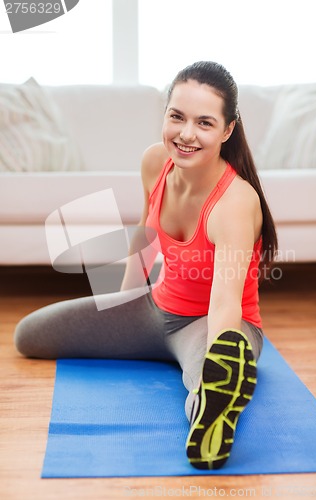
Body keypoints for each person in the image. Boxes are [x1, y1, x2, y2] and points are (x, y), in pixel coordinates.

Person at [14, 61, 277, 470]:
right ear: (165, 115)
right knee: (28, 336)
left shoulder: (236, 202)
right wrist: (120, 306)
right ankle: (209, 386)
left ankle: (213, 411)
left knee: (204, 379)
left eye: (204, 123)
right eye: (177, 117)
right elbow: (144, 236)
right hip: (155, 311)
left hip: (212, 324)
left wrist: (215, 358)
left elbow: (225, 303)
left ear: (227, 131)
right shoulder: (156, 162)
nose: (186, 134)